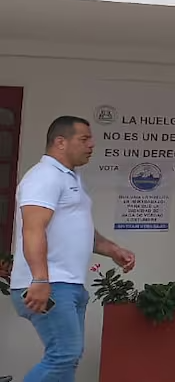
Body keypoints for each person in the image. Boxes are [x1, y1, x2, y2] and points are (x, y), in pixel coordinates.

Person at [10, 116, 137, 382]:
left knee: (69, 358)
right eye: (84, 139)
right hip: (49, 282)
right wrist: (40, 279)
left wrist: (112, 249)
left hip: (68, 284)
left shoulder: (72, 178)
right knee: (63, 355)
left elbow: (79, 230)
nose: (92, 144)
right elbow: (33, 229)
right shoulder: (44, 177)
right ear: (60, 142)